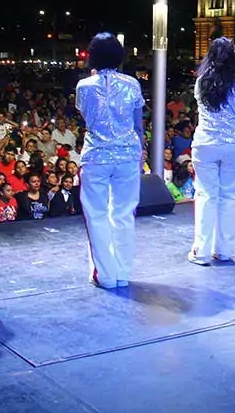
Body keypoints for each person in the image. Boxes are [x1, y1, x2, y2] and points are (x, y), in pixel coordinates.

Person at [75, 33, 145, 289]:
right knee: (124, 214)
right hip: (127, 155)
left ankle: (105, 275)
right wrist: (140, 153)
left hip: (96, 156)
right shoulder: (132, 84)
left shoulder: (84, 86)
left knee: (97, 215)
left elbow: (86, 116)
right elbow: (138, 125)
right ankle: (122, 273)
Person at [187, 37, 235, 264]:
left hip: (205, 144)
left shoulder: (200, 82)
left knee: (205, 195)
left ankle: (200, 251)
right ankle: (223, 250)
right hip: (233, 146)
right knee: (230, 195)